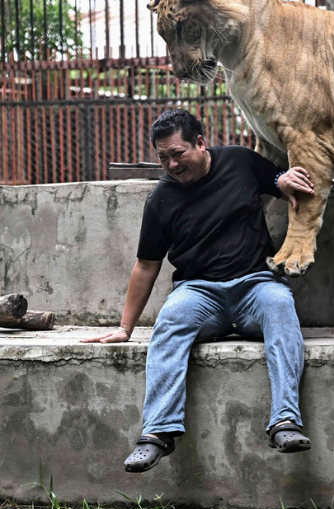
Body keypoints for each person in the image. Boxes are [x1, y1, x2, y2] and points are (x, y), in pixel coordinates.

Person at [82, 109, 317, 473]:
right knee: (171, 318)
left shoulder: (240, 161)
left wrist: (284, 183)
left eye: (178, 154)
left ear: (201, 143)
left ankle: (285, 422)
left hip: (255, 284)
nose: (172, 164)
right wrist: (125, 327)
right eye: (163, 158)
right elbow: (146, 264)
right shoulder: (161, 199)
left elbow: (277, 181)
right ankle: (157, 433)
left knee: (281, 304)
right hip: (200, 294)